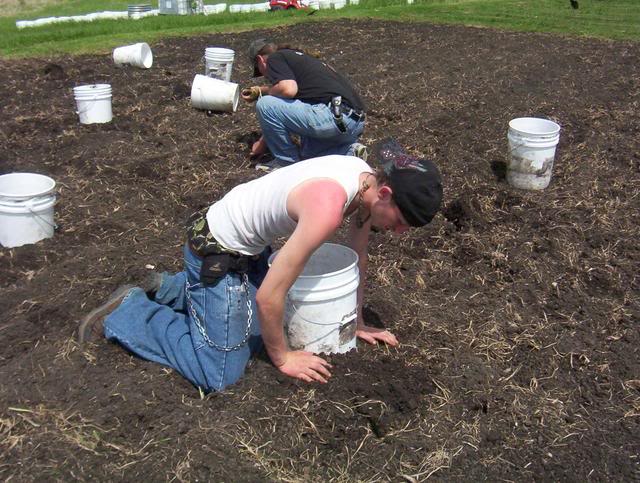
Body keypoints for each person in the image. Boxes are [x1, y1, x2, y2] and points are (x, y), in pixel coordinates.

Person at [78, 139, 443, 392]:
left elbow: (357, 260)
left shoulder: (364, 177)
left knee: (266, 325)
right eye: (400, 222)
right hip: (215, 252)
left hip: (248, 250)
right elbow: (270, 297)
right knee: (222, 370)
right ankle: (129, 312)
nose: (397, 232)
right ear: (385, 194)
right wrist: (283, 358)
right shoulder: (328, 206)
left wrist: (358, 321)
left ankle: (169, 288)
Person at [242, 39, 367, 171]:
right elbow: (285, 111)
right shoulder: (303, 61)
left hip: (334, 116)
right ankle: (348, 152)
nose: (266, 76)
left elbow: (287, 90)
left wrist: (266, 94)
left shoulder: (275, 58)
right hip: (353, 122)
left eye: (260, 71)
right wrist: (262, 142)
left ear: (260, 60)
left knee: (265, 104)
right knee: (308, 157)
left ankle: (285, 165)